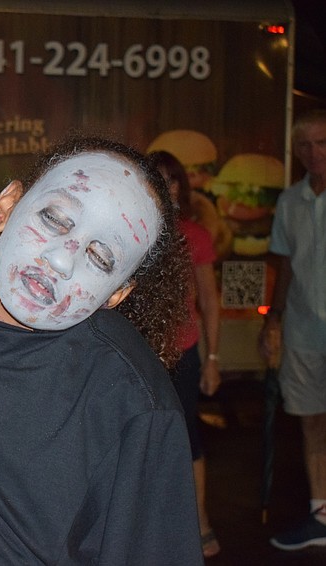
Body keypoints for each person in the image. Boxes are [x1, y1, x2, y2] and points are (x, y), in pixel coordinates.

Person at [0, 137, 203, 564]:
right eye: (55, 219)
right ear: (7, 204)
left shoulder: (128, 401)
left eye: (101, 257)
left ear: (116, 294)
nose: (61, 261)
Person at [260, 109, 326, 551]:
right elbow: (283, 264)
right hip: (303, 329)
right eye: (304, 145)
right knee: (311, 421)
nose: (313, 153)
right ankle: (322, 514)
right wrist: (273, 320)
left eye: (322, 143)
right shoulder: (289, 201)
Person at [151, 150, 222, 558]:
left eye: (173, 179)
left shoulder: (195, 235)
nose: (167, 186)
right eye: (158, 178)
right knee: (139, 438)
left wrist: (213, 360)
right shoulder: (131, 230)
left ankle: (201, 521)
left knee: (187, 437)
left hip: (184, 350)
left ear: (182, 186)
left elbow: (210, 300)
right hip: (137, 353)